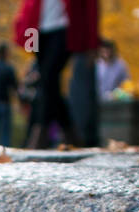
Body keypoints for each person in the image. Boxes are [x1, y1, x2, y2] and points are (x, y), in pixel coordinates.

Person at [14, 0, 98, 149]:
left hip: (64, 29)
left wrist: (92, 44)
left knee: (48, 78)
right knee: (48, 83)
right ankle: (72, 135)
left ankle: (41, 133)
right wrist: (23, 33)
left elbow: (90, 8)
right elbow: (28, 6)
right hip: (37, 31)